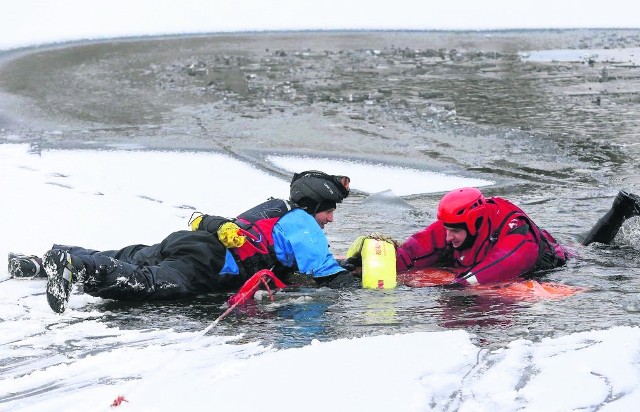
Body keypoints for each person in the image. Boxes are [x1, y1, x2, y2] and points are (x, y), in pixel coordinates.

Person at [8, 170, 357, 313]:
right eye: (328, 210)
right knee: (147, 282)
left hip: (192, 241)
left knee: (131, 256)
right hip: (209, 262)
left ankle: (41, 262)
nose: (330, 219)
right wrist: (379, 281)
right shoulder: (303, 224)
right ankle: (76, 267)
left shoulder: (275, 209)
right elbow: (331, 280)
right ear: (313, 205)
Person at [386, 187, 640, 286]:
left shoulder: (517, 234)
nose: (448, 236)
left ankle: (621, 209)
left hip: (553, 263)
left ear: (473, 223)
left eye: (454, 231)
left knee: (587, 251)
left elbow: (493, 270)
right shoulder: (457, 224)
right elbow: (415, 249)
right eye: (447, 229)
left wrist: (455, 286)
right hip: (489, 257)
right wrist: (371, 267)